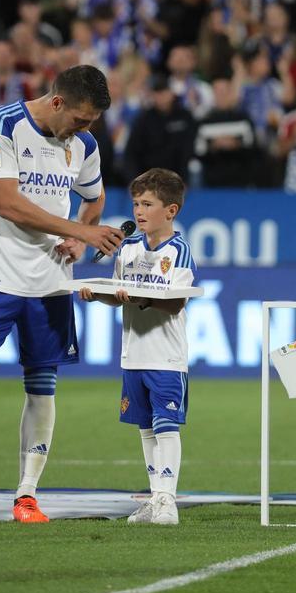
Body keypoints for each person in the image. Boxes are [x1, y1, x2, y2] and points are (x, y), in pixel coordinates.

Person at [0, 65, 124, 525]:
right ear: (57, 103)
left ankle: (27, 496)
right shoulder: (0, 126)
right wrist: (81, 231)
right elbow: (9, 204)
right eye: (80, 119)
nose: (85, 130)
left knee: (42, 388)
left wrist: (83, 233)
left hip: (50, 284)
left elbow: (93, 196)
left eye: (91, 123)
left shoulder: (84, 145)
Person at [79, 168, 195, 526]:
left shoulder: (178, 251)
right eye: (135, 204)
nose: (139, 211)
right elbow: (119, 295)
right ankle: (154, 496)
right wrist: (97, 295)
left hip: (166, 355)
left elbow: (176, 302)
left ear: (170, 211)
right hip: (133, 354)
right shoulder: (127, 248)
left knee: (166, 425)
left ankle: (168, 501)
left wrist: (139, 299)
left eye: (147, 204)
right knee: (145, 427)